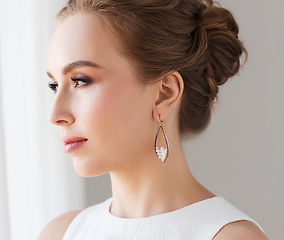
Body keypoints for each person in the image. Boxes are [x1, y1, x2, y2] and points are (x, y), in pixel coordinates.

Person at [39, 0, 268, 239]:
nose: (55, 115)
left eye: (81, 80)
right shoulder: (61, 233)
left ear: (164, 93)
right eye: (54, 85)